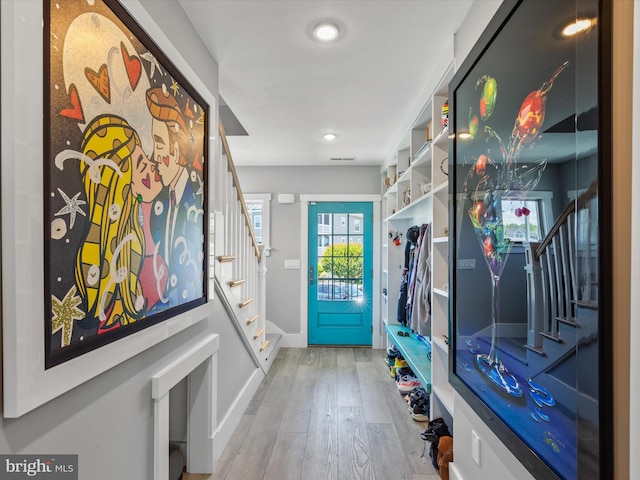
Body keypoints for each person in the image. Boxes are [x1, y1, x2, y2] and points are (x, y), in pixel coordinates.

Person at [75, 115, 167, 332]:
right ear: (124, 182)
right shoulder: (120, 259)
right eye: (142, 164)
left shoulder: (147, 230)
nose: (152, 165)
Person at [146, 86, 204, 305]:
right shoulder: (162, 203)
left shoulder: (194, 205)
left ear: (178, 151)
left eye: (159, 144)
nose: (154, 156)